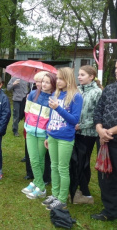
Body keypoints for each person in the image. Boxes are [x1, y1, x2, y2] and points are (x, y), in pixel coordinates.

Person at [42, 67, 83, 211]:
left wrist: (58, 108)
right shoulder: (56, 93)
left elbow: (74, 120)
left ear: (68, 79)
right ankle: (55, 194)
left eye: (61, 78)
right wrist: (47, 135)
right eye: (57, 78)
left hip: (65, 137)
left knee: (63, 168)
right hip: (52, 135)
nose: (58, 81)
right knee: (53, 166)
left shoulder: (76, 96)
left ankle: (62, 199)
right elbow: (51, 116)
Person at [70, 65, 102, 205]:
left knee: (83, 162)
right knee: (75, 161)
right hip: (75, 131)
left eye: (82, 75)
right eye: (79, 74)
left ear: (91, 77)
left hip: (88, 134)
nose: (79, 77)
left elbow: (98, 115)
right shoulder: (78, 90)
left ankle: (85, 192)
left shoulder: (97, 92)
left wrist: (81, 125)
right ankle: (76, 189)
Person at [21, 73, 56, 199]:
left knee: (39, 160)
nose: (44, 84)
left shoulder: (54, 98)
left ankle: (39, 186)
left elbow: (53, 118)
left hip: (43, 134)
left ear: (53, 84)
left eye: (47, 82)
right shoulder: (32, 94)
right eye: (43, 81)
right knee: (33, 159)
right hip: (30, 131)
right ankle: (39, 185)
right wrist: (27, 125)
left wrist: (48, 135)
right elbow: (27, 111)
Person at [92, 60, 117, 221]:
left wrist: (111, 132)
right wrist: (100, 130)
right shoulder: (109, 88)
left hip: (111, 136)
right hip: (105, 140)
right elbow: (98, 110)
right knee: (106, 177)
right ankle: (110, 211)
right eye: (116, 68)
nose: (116, 71)